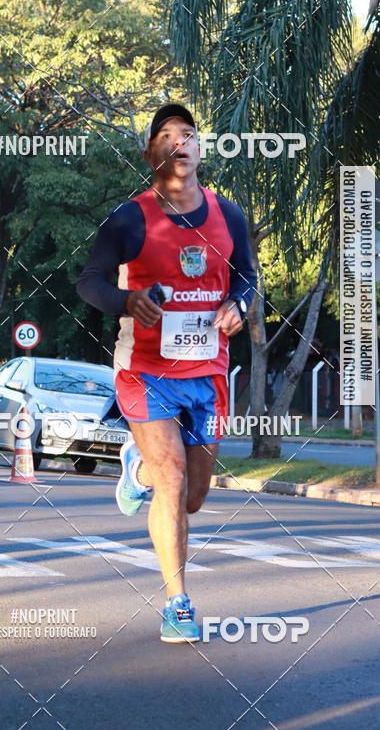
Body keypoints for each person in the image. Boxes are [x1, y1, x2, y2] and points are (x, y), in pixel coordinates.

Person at [76, 102, 257, 643]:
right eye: (167, 135)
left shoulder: (230, 215)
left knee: (194, 497)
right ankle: (178, 604)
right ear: (151, 152)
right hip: (145, 371)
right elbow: (89, 282)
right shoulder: (129, 218)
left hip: (207, 373)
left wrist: (239, 308)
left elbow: (246, 278)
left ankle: (137, 472)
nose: (181, 142)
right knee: (173, 480)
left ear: (200, 149)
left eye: (190, 134)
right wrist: (128, 301)